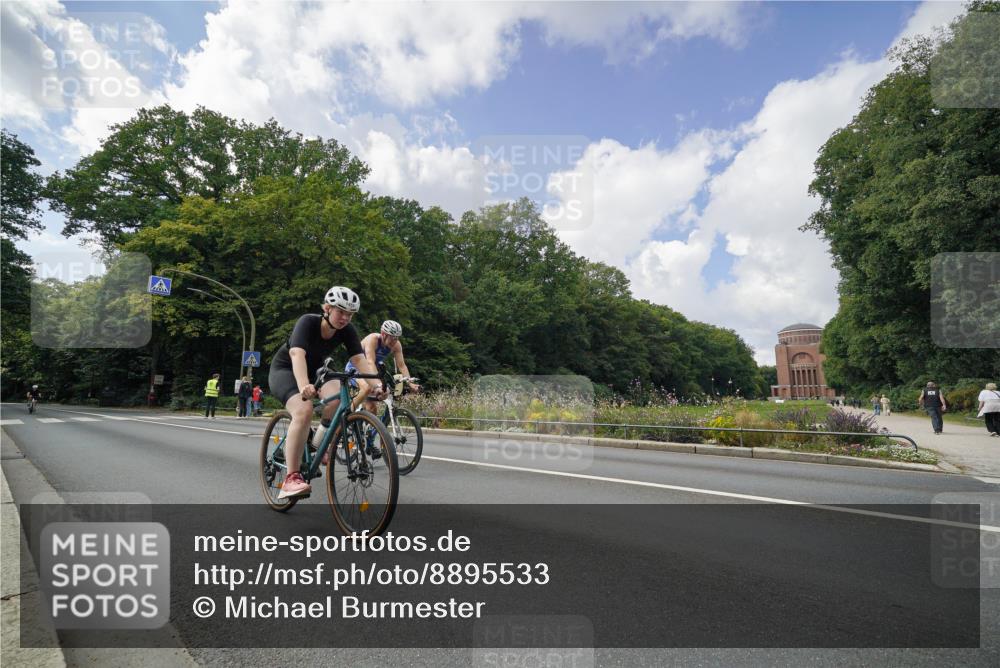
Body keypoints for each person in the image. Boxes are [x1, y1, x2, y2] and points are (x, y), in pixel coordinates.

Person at [267, 286, 381, 499]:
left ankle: (315, 444)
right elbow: (296, 354)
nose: (345, 318)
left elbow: (359, 360)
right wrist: (303, 385)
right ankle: (291, 478)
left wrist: (377, 386)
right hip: (286, 370)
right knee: (304, 410)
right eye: (341, 311)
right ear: (327, 308)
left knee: (337, 401)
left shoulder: (347, 330)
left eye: (350, 314)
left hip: (318, 371)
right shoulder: (308, 322)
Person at [345, 320, 421, 419]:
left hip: (372, 371)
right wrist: (377, 384)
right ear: (383, 334)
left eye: (397, 338)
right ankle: (347, 415)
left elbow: (402, 365)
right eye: (393, 338)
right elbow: (370, 362)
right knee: (367, 388)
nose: (395, 342)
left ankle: (368, 431)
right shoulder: (373, 340)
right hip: (355, 368)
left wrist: (410, 383)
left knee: (373, 407)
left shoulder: (397, 345)